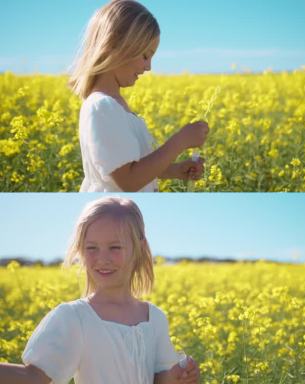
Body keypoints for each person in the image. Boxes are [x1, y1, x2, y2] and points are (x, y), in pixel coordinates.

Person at [0, 196, 200, 383]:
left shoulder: (155, 318)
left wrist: (179, 376)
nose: (102, 259)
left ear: (139, 248)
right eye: (91, 248)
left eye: (115, 247)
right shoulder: (73, 317)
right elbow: (35, 378)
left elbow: (158, 377)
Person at [71, 0, 209, 192]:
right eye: (145, 56)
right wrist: (180, 141)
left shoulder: (116, 105)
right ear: (116, 46)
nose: (148, 67)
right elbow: (128, 180)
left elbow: (132, 165)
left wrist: (174, 170)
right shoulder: (101, 107)